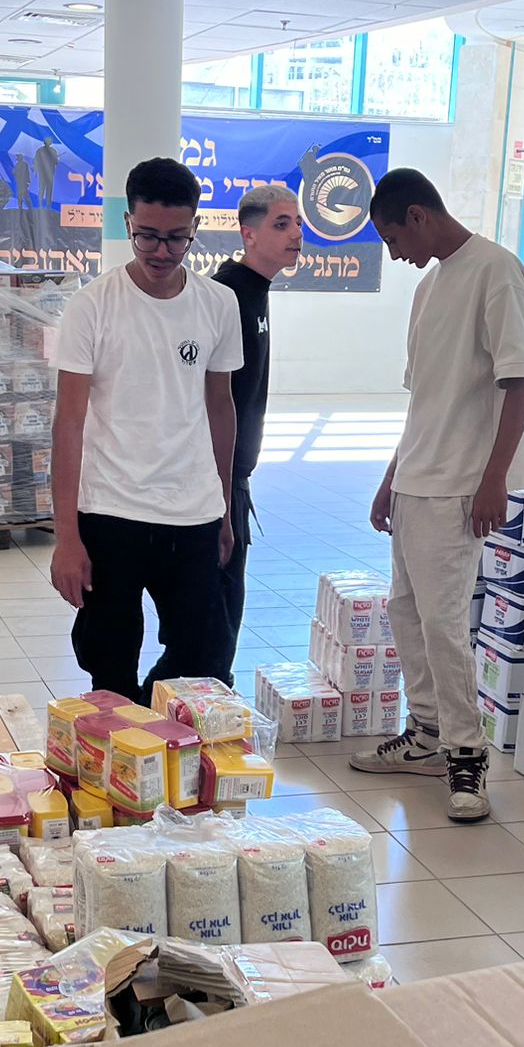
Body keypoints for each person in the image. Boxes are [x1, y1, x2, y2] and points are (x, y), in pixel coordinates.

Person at [349, 168, 524, 823]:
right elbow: (424, 401)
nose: (395, 253)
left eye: (393, 238)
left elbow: (520, 380)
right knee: (407, 612)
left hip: (460, 484)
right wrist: (390, 477)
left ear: (419, 216)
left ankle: (466, 753)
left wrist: (494, 478)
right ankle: (426, 733)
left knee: (444, 624)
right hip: (417, 480)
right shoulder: (429, 287)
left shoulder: (495, 270)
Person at [49, 156, 245, 702]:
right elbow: (68, 423)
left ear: (195, 228)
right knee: (108, 658)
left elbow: (221, 408)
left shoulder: (218, 303)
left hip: (193, 510)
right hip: (111, 510)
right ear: (127, 223)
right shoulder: (93, 306)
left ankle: (155, 726)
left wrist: (225, 510)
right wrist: (66, 537)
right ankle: (124, 734)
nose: (161, 251)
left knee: (204, 655)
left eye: (177, 238)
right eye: (147, 236)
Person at [212, 183, 304, 680]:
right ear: (248, 234)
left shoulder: (255, 291)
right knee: (214, 624)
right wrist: (222, 501)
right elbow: (212, 403)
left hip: (235, 480)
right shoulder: (228, 294)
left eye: (298, 223)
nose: (296, 234)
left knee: (226, 615)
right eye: (281, 224)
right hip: (215, 482)